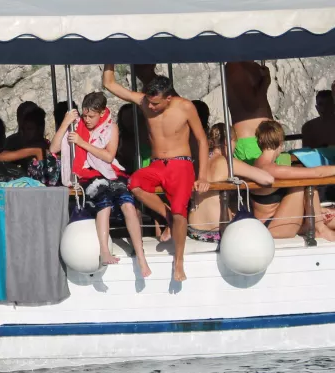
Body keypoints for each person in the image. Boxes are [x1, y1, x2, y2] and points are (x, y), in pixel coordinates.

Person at [103, 65, 209, 282]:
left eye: (155, 103)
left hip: (181, 164)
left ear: (168, 98)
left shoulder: (185, 107)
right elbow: (109, 84)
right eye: (148, 102)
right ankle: (167, 216)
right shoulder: (143, 101)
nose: (150, 106)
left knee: (181, 212)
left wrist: (203, 175)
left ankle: (178, 261)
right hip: (157, 164)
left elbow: (201, 139)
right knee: (134, 183)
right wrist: (109, 57)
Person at [52, 92, 151, 276]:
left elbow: (108, 156)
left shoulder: (111, 128)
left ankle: (141, 255)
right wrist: (66, 123)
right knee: (103, 202)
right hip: (87, 174)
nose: (87, 120)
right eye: (84, 115)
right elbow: (53, 149)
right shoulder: (76, 126)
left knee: (128, 204)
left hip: (109, 171)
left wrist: (82, 143)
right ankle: (105, 250)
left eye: (91, 116)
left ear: (102, 112)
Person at [188, 123, 274, 244]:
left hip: (194, 229)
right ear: (229, 141)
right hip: (217, 231)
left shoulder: (198, 162)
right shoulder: (227, 163)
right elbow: (267, 179)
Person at [251, 120, 335, 240]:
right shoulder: (271, 169)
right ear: (280, 142)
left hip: (273, 222)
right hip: (273, 227)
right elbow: (317, 173)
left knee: (328, 215)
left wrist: (321, 210)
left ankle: (318, 224)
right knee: (303, 183)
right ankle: (320, 229)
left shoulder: (257, 164)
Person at [225, 61, 274, 165]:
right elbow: (251, 105)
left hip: (262, 138)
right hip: (251, 141)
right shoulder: (235, 66)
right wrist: (265, 83)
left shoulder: (250, 66)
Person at [0, 106, 60, 184]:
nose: (25, 133)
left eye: (30, 129)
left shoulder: (37, 149)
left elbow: (2, 157)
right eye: (23, 129)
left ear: (40, 129)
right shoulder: (45, 144)